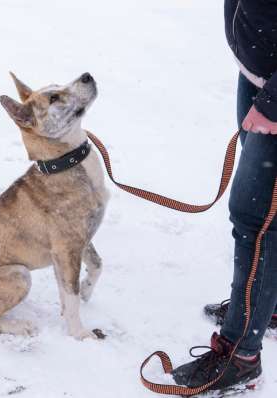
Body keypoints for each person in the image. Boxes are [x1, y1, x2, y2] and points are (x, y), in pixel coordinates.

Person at [171, 0, 277, 392]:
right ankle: (269, 307)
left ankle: (241, 356)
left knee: (257, 221)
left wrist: (273, 104)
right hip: (260, 71)